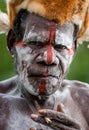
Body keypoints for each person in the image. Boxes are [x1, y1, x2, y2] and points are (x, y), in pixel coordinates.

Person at [0, 0, 89, 130]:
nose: (49, 59)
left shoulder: (85, 101)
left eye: (60, 47)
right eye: (36, 43)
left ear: (73, 49)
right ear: (12, 42)